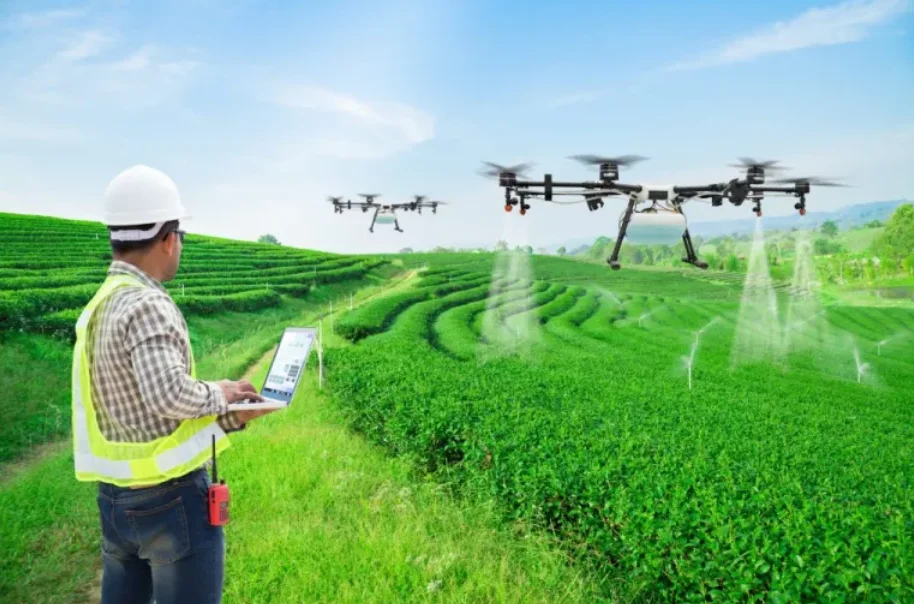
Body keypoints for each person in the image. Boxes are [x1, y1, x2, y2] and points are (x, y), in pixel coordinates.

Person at [71, 164, 273, 604]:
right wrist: (224, 398)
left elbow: (141, 397)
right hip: (169, 505)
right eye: (179, 236)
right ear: (166, 238)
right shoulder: (148, 303)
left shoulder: (100, 305)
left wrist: (218, 391)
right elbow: (166, 395)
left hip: (115, 501)